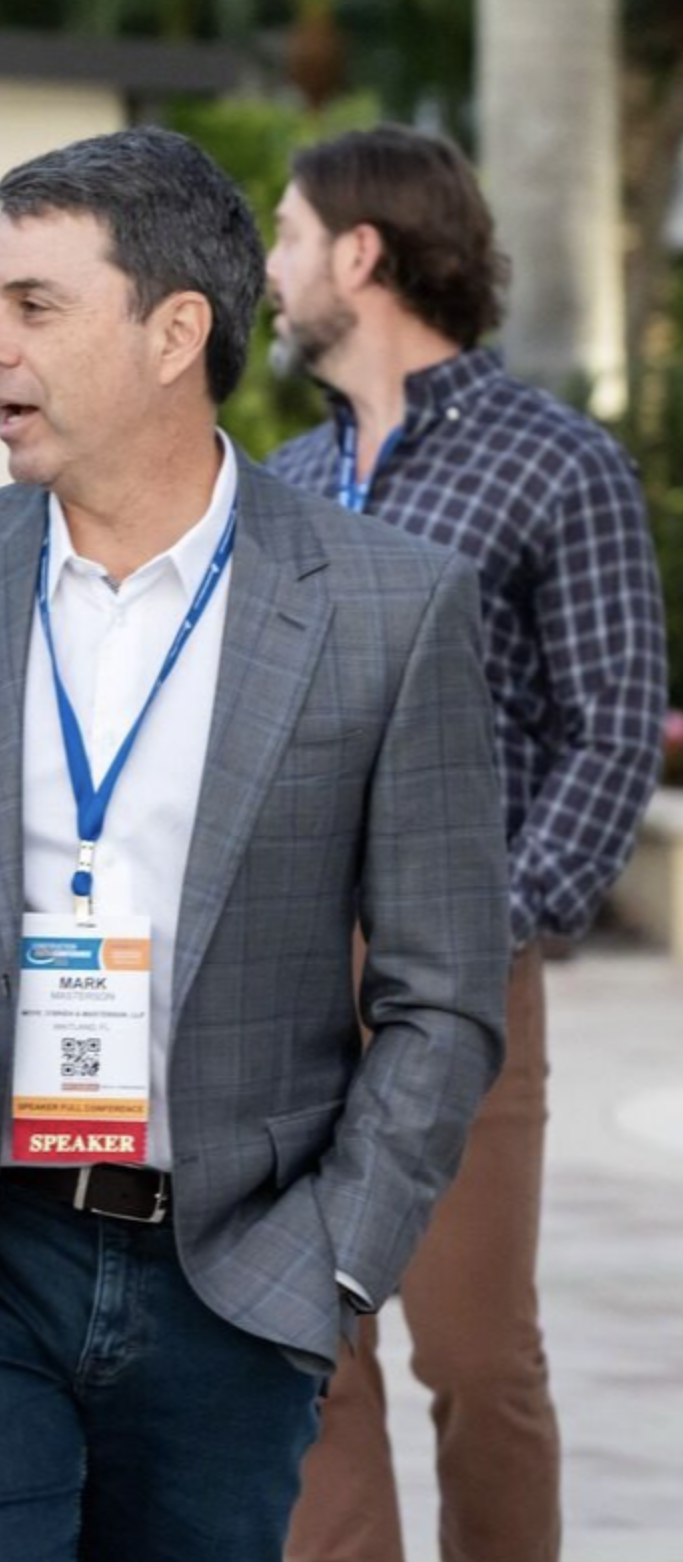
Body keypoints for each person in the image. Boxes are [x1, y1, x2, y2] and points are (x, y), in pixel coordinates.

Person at [0, 125, 512, 1562]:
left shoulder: (386, 608)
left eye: (33, 305)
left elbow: (444, 994)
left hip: (231, 1278)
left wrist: (331, 1268)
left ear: (176, 334)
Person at [264, 125, 669, 1562]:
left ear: (361, 253)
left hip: (458, 970)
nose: (271, 271)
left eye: (288, 237)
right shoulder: (284, 484)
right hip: (282, 980)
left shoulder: (558, 463)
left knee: (478, 1360)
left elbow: (612, 725)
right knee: (304, 1346)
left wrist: (496, 918)